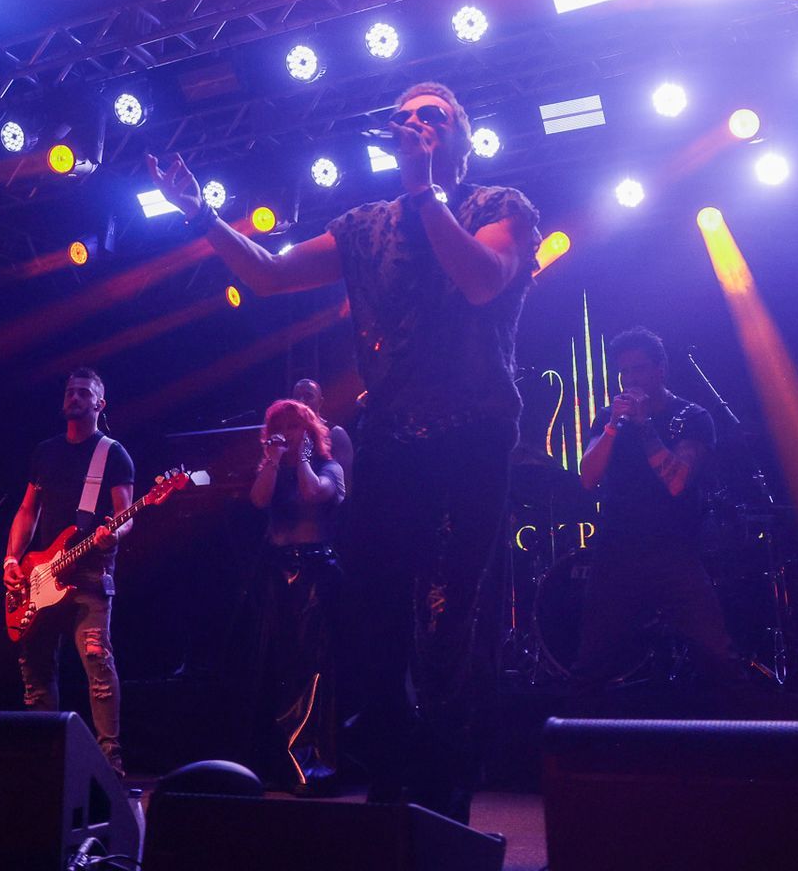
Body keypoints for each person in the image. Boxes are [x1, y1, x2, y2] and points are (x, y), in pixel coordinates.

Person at [148, 80, 539, 820]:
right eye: (403, 116)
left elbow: (483, 281)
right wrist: (202, 215)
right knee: (371, 614)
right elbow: (268, 273)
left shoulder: (498, 207)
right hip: (390, 435)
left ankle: (446, 797)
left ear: (462, 135)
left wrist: (425, 193)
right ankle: (390, 788)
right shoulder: (364, 226)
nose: (414, 122)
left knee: (451, 613)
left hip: (472, 436)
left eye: (432, 114)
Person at [573, 328, 740, 697]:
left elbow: (677, 481)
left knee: (717, 654)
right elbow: (587, 477)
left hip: (672, 549)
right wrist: (614, 426)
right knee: (591, 662)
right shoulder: (609, 418)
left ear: (660, 370)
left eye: (639, 369)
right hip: (617, 549)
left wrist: (645, 425)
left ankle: (738, 724)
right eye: (624, 372)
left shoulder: (692, 417)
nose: (630, 379)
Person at [3, 368, 134, 774]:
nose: (74, 397)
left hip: (90, 578)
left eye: (83, 393)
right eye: (69, 391)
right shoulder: (45, 451)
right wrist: (11, 558)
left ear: (100, 404)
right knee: (35, 667)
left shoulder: (112, 454)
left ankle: (110, 760)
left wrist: (114, 535)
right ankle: (45, 757)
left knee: (97, 662)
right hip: (42, 574)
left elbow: (126, 515)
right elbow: (28, 510)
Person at [246, 397, 347, 793]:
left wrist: (303, 458)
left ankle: (310, 762)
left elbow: (313, 494)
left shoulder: (328, 467)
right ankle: (275, 759)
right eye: (279, 427)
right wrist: (272, 460)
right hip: (276, 573)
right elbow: (258, 500)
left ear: (308, 431)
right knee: (275, 664)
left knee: (311, 666)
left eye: (293, 426)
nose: (286, 434)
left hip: (315, 573)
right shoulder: (272, 470)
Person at [291, 378, 355, 492]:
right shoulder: (286, 433)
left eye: (308, 396)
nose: (301, 401)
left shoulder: (335, 434)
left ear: (320, 402)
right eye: (297, 397)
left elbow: (343, 484)